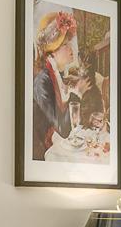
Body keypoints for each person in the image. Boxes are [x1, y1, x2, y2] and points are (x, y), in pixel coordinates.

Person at [31, 9, 92, 160]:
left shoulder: (56, 75)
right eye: (65, 45)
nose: (71, 49)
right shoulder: (42, 81)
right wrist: (77, 93)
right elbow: (63, 129)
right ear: (53, 51)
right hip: (46, 152)